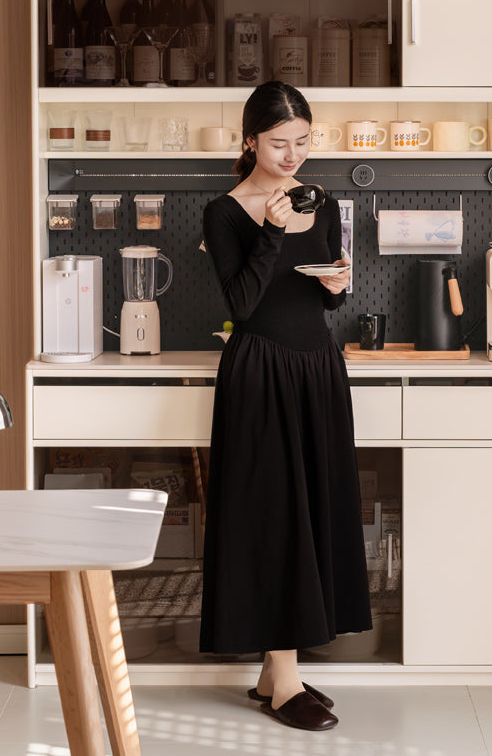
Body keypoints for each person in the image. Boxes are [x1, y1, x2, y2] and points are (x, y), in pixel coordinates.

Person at [200, 81, 372, 732]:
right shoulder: (224, 210)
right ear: (250, 141)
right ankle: (285, 679)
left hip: (316, 368)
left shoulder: (321, 202)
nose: (294, 153)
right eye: (280, 142)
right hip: (260, 369)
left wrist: (337, 284)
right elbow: (242, 304)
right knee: (274, 516)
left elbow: (320, 295)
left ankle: (277, 672)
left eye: (303, 140)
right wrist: (272, 231)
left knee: (315, 510)